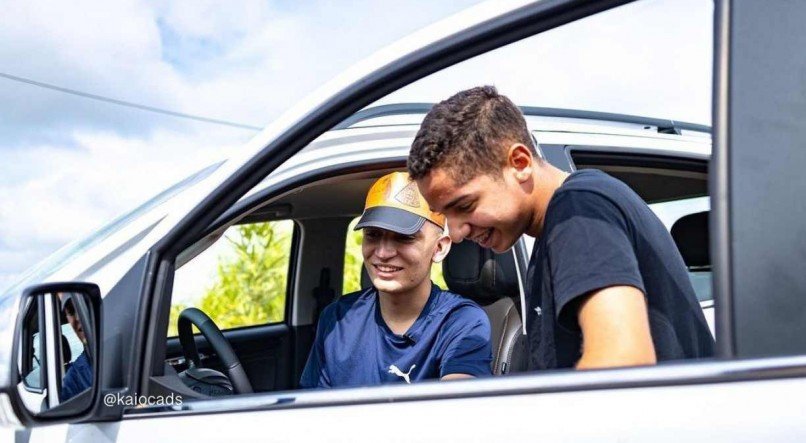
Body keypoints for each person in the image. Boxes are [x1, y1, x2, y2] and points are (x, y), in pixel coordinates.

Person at [408, 86, 714, 370]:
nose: (458, 232)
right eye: (446, 215)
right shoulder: (555, 231)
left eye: (465, 206)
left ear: (519, 163)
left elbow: (622, 360)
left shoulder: (578, 210)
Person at [300, 172, 492, 388]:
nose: (382, 253)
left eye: (404, 237)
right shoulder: (337, 319)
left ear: (439, 248)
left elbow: (460, 408)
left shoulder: (460, 322)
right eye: (372, 234)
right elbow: (314, 412)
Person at [61, 295, 93, 401]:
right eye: (71, 310)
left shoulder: (130, 345)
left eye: (85, 304)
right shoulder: (74, 379)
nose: (78, 318)